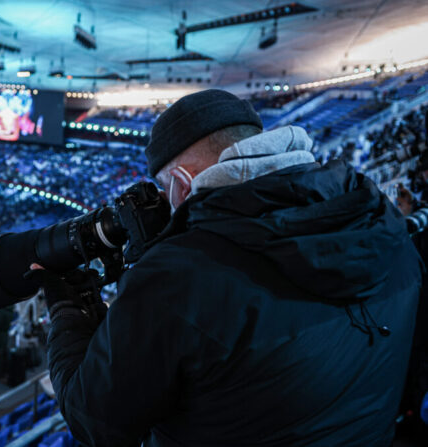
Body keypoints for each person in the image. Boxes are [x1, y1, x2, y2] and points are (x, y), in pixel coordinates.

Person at [38, 89, 422, 446]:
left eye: (163, 191)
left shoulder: (173, 278)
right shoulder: (382, 222)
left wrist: (68, 309)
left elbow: (95, 422)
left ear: (182, 185)